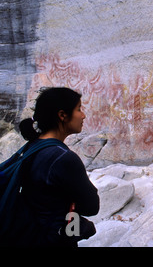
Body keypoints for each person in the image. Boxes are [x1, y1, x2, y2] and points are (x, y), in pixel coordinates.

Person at [16, 87, 99, 247]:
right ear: (62, 115)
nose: (83, 115)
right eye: (79, 109)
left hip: (32, 235)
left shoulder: (32, 147)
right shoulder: (63, 158)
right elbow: (91, 207)